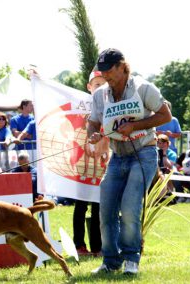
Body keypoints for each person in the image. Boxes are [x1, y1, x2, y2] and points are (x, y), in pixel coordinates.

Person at [88, 48, 171, 275]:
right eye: (102, 71)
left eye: (109, 70)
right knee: (105, 209)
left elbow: (165, 116)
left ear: (123, 66)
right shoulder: (99, 95)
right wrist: (93, 135)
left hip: (143, 153)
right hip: (117, 157)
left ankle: (131, 259)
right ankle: (110, 261)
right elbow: (93, 123)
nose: (105, 76)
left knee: (130, 207)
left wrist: (134, 126)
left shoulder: (143, 88)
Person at [73, 70, 109, 257]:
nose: (100, 87)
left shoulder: (108, 103)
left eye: (103, 84)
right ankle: (79, 244)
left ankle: (97, 246)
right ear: (89, 86)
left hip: (101, 164)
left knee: (98, 206)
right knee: (81, 205)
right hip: (83, 165)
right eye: (96, 84)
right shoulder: (81, 105)